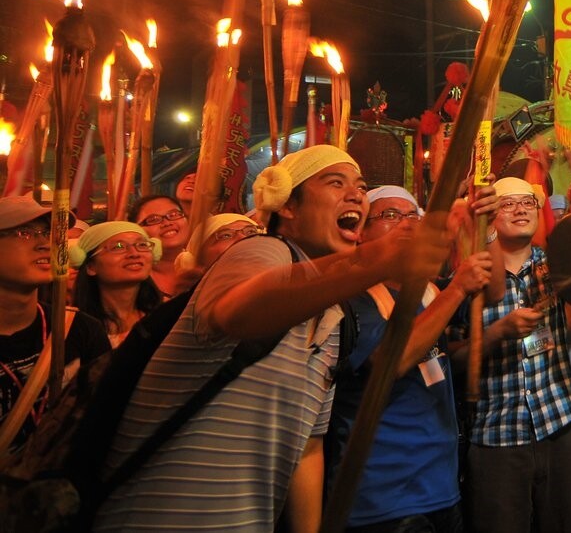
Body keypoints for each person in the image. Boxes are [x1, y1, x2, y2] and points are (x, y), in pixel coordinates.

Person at [94, 144, 437, 532]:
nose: (356, 194)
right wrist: (372, 261)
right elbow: (239, 313)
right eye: (335, 183)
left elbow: (308, 445)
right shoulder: (260, 251)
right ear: (287, 205)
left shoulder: (335, 311)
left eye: (360, 186)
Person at [329, 184, 491, 533]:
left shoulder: (430, 290)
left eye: (413, 216)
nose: (406, 223)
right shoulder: (352, 296)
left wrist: (483, 225)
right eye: (389, 215)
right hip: (384, 496)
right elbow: (393, 361)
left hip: (441, 484)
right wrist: (458, 288)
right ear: (361, 232)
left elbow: (491, 292)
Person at [447, 176, 571, 533]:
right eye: (508, 204)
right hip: (497, 436)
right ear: (490, 216)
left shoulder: (557, 265)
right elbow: (451, 361)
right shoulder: (469, 278)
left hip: (560, 425)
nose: (520, 209)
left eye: (528, 202)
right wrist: (497, 333)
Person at [0, 197, 109, 455]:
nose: (45, 243)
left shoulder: (78, 329)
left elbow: (102, 420)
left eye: (49, 233)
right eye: (25, 233)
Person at [69, 221, 165, 348]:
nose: (134, 254)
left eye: (142, 245)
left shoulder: (166, 315)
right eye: (118, 247)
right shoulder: (74, 328)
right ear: (91, 266)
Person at [129, 193, 192, 297]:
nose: (167, 223)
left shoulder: (205, 268)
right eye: (153, 219)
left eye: (173, 215)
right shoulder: (132, 279)